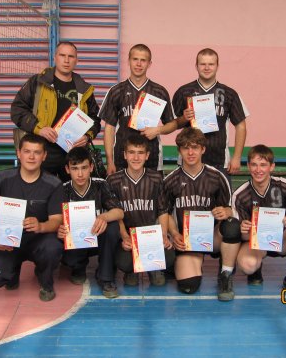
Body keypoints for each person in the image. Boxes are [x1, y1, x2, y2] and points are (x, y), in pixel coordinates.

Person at [0, 133, 63, 302]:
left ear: (44, 156)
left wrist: (41, 226)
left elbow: (56, 220)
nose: (31, 157)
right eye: (27, 151)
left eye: (37, 152)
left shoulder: (54, 184)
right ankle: (12, 272)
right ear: (18, 153)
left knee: (53, 248)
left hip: (39, 241)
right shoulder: (1, 178)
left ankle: (45, 280)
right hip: (7, 243)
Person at [160, 127, 241, 301]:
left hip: (212, 237)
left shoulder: (217, 177)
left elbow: (230, 209)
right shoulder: (170, 180)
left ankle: (225, 274)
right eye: (186, 148)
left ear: (203, 149)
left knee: (232, 225)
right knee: (188, 286)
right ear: (179, 151)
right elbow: (165, 213)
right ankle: (188, 262)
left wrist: (225, 211)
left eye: (195, 147)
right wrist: (174, 234)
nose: (190, 153)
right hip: (186, 240)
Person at [11, 41, 101, 182]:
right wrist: (39, 129)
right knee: (41, 192)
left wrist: (87, 136)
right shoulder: (37, 82)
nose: (66, 60)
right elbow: (17, 109)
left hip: (72, 153)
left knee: (72, 194)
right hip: (42, 151)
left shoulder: (84, 89)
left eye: (71, 56)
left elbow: (95, 119)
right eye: (62, 55)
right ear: (55, 57)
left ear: (76, 60)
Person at [234, 144, 286, 294]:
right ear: (248, 166)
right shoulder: (240, 194)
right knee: (247, 265)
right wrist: (243, 229)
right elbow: (240, 235)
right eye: (254, 165)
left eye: (263, 165)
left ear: (272, 167)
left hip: (281, 239)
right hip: (255, 242)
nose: (258, 170)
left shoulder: (284, 185)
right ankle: (255, 270)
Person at [106, 133, 174, 287]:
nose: (136, 157)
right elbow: (114, 214)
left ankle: (153, 268)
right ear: (124, 155)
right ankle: (131, 270)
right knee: (124, 263)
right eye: (131, 152)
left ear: (147, 155)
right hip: (128, 237)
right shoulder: (113, 180)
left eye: (140, 153)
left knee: (169, 257)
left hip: (150, 237)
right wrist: (124, 237)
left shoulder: (156, 178)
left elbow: (163, 211)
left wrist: (163, 235)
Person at [99, 44, 177, 175]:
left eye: (143, 60)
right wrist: (110, 160)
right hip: (122, 159)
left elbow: (172, 124)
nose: (139, 64)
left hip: (152, 158)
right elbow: (109, 128)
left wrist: (158, 130)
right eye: (135, 59)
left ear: (149, 64)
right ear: (129, 61)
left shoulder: (159, 91)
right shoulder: (116, 91)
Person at [57, 146, 124, 298]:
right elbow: (55, 219)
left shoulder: (100, 184)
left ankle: (106, 277)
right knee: (63, 246)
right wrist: (58, 230)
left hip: (97, 237)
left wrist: (103, 217)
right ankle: (78, 266)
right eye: (75, 169)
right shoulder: (62, 190)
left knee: (112, 227)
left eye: (84, 168)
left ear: (91, 167)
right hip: (75, 241)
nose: (80, 174)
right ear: (67, 169)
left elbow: (119, 212)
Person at [172, 48, 248, 180]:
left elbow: (241, 126)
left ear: (217, 66)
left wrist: (236, 157)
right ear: (196, 66)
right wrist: (184, 118)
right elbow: (172, 124)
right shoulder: (183, 91)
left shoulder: (229, 93)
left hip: (219, 161)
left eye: (211, 64)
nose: (207, 68)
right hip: (188, 160)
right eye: (202, 64)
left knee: (221, 195)